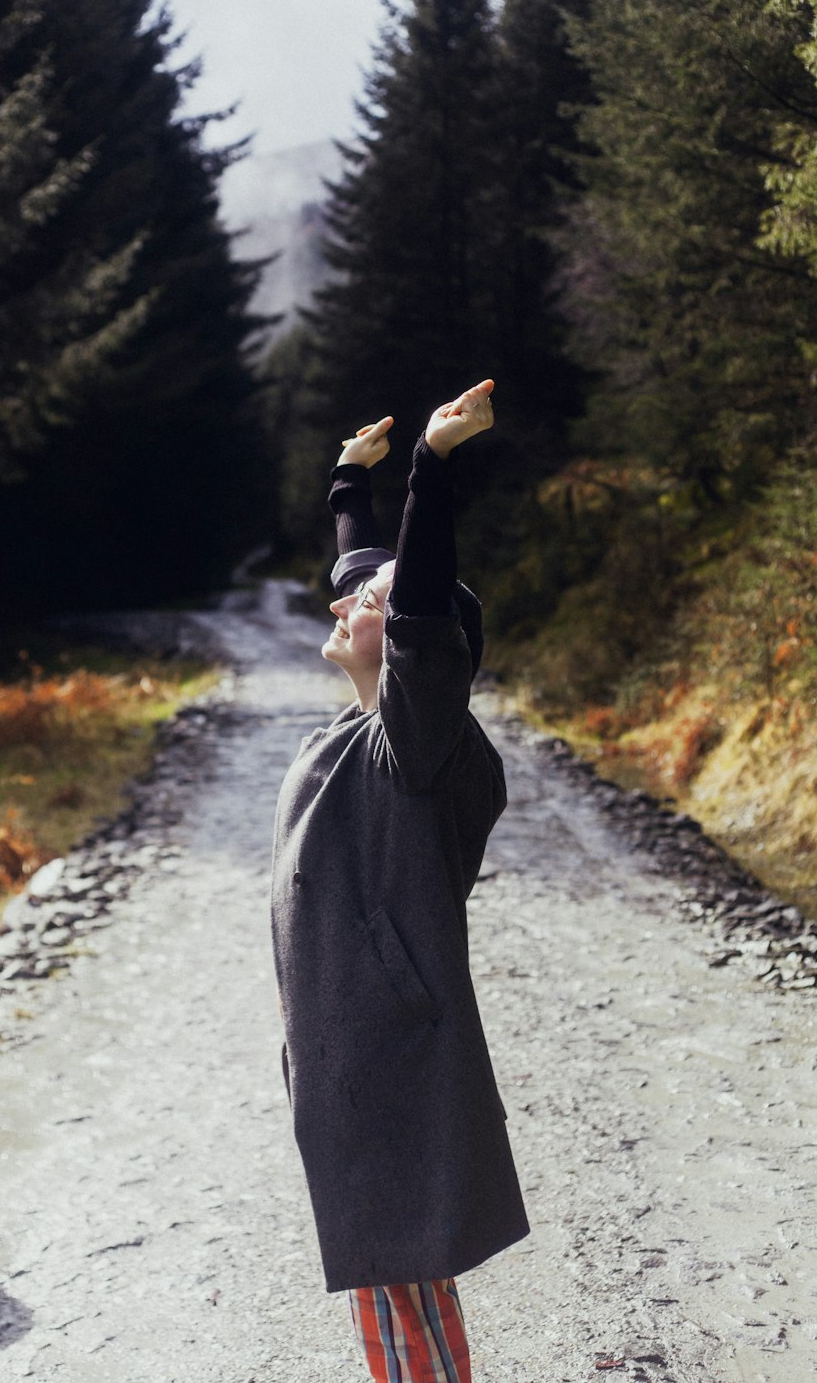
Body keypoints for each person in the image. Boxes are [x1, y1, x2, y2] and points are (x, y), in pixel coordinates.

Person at [271, 379, 529, 1383]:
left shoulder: (422, 746)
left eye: (365, 603)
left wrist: (430, 466)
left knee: (393, 1284)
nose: (341, 602)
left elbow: (414, 607)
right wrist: (349, 482)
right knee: (401, 1285)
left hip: (390, 1062)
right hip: (350, 1060)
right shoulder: (362, 731)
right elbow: (365, 572)